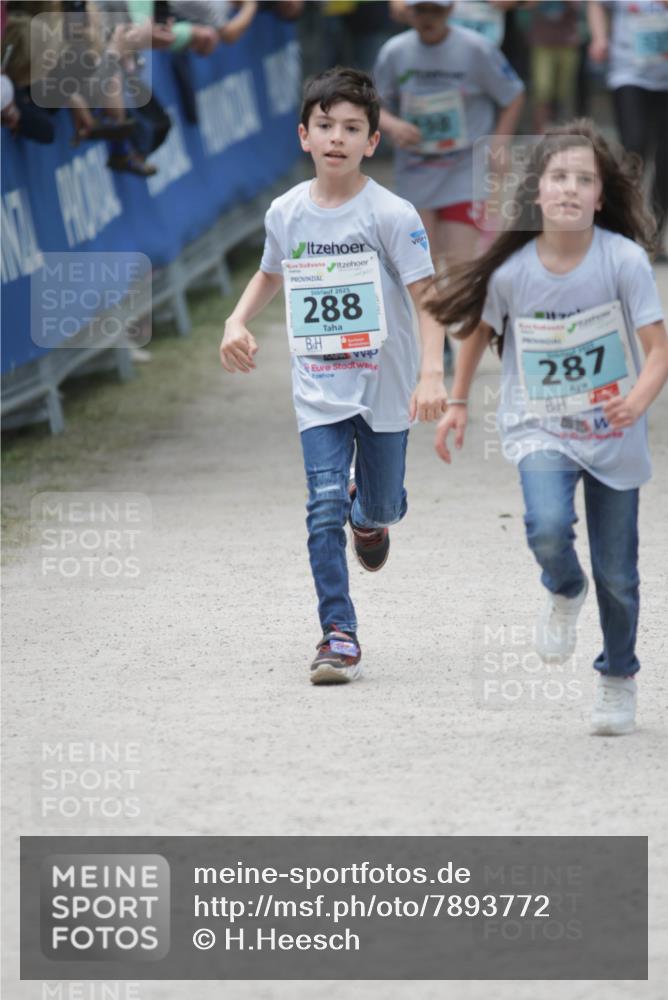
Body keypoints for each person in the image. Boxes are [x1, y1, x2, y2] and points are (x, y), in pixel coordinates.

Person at [430, 120, 668, 735]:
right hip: (541, 425)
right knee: (547, 526)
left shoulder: (624, 261)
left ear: (600, 195)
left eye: (583, 180)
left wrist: (637, 400)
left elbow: (657, 350)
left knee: (619, 573)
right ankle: (564, 587)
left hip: (613, 431)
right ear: (537, 191)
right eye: (558, 177)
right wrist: (457, 403)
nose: (568, 189)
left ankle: (617, 677)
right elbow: (476, 333)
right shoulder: (511, 274)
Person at [219, 67, 448, 685]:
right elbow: (271, 272)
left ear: (373, 141)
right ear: (304, 135)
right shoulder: (286, 212)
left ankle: (368, 515)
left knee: (378, 502)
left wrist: (432, 372)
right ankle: (338, 634)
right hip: (319, 387)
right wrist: (236, 320)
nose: (338, 138)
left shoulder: (391, 214)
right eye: (326, 126)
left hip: (385, 384)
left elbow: (428, 298)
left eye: (352, 128)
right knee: (321, 507)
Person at [373, 0, 524, 374]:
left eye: (436, 11)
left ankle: (497, 332)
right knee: (421, 268)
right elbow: (373, 103)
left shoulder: (474, 49)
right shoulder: (394, 52)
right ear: (409, 12)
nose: (428, 19)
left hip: (463, 170)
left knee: (461, 268)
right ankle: (437, 346)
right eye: (421, 11)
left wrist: (500, 142)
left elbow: (513, 93)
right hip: (416, 174)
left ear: (450, 10)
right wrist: (392, 126)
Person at [588, 0, 668, 259]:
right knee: (634, 148)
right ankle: (624, 229)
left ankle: (654, 237)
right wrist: (599, 37)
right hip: (629, 73)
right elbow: (596, 4)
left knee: (666, 162)